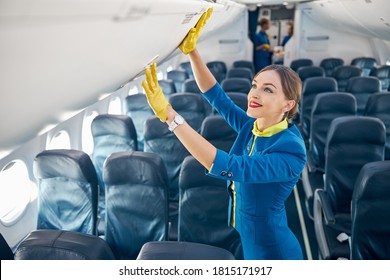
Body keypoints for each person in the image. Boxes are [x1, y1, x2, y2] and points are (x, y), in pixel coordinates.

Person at [142, 8, 306, 260]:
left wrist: (169, 116)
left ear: (288, 104)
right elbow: (216, 96)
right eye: (254, 86)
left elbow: (225, 164)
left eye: (268, 90)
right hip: (248, 233)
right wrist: (192, 52)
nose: (254, 94)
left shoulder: (290, 150)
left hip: (273, 249)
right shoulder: (253, 126)